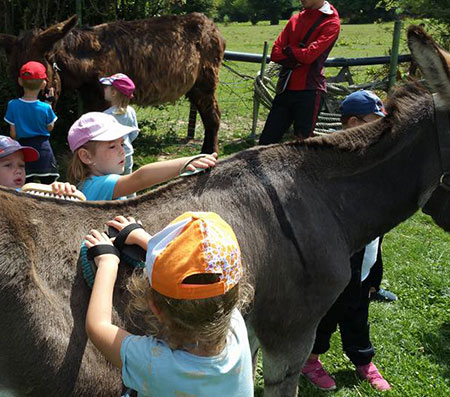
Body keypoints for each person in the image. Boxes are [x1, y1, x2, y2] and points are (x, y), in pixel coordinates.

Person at [84, 212, 254, 396]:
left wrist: (107, 264)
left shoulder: (157, 366)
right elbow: (206, 277)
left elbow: (97, 327)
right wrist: (144, 240)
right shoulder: (234, 324)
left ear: (155, 308)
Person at [301, 90, 393, 392]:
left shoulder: (377, 156)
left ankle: (363, 358)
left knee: (358, 306)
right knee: (331, 307)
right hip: (336, 248)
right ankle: (310, 358)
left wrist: (376, 266)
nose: (381, 129)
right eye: (373, 123)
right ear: (353, 122)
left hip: (366, 248)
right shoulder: (330, 156)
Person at [66, 112, 217, 201]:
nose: (121, 151)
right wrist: (183, 164)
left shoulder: (88, 183)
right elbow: (140, 178)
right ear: (86, 157)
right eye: (112, 146)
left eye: (122, 144)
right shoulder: (99, 185)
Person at [259, 0, 340, 145]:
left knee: (302, 146)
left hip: (310, 91)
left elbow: (310, 56)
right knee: (266, 142)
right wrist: (297, 55)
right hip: (286, 89)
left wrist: (289, 50)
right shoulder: (295, 19)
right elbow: (275, 53)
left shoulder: (331, 22)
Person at [4, 61, 59, 184]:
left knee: (25, 187)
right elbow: (50, 127)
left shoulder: (12, 105)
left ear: (20, 81)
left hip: (24, 151)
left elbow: (13, 134)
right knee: (49, 187)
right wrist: (49, 103)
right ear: (43, 84)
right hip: (44, 150)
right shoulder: (46, 108)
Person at [0, 135, 75, 195]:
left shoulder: (28, 193)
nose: (18, 171)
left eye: (21, 165)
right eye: (8, 165)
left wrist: (56, 189)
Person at [99, 73, 139, 178]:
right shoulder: (131, 111)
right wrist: (126, 142)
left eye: (107, 86)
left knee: (114, 184)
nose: (105, 89)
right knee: (129, 182)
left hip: (112, 157)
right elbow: (134, 132)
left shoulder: (106, 115)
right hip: (127, 153)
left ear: (113, 92)